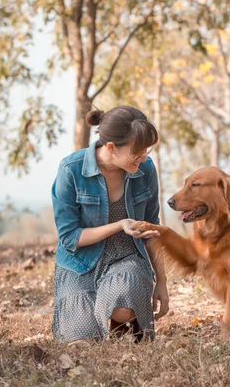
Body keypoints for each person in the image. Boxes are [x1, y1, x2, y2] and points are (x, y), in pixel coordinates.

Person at [50, 104, 169, 343]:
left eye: (147, 150)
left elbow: (152, 228)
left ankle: (122, 332)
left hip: (126, 257)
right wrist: (119, 224)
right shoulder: (70, 170)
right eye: (137, 152)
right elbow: (70, 238)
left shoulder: (145, 170)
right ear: (111, 147)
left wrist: (162, 282)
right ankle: (92, 324)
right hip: (80, 262)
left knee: (123, 305)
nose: (144, 157)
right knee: (81, 342)